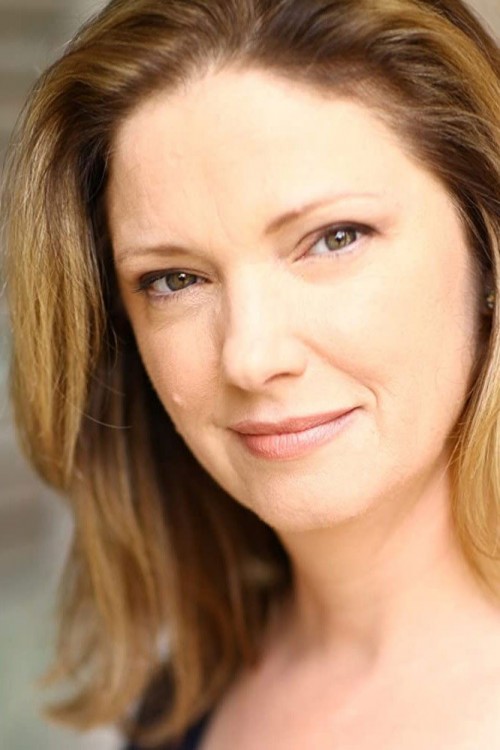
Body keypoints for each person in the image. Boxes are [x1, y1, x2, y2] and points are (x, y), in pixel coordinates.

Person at [2, 0, 499, 747]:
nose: (251, 357)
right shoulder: (167, 704)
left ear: (486, 245)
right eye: (174, 280)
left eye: (333, 238)